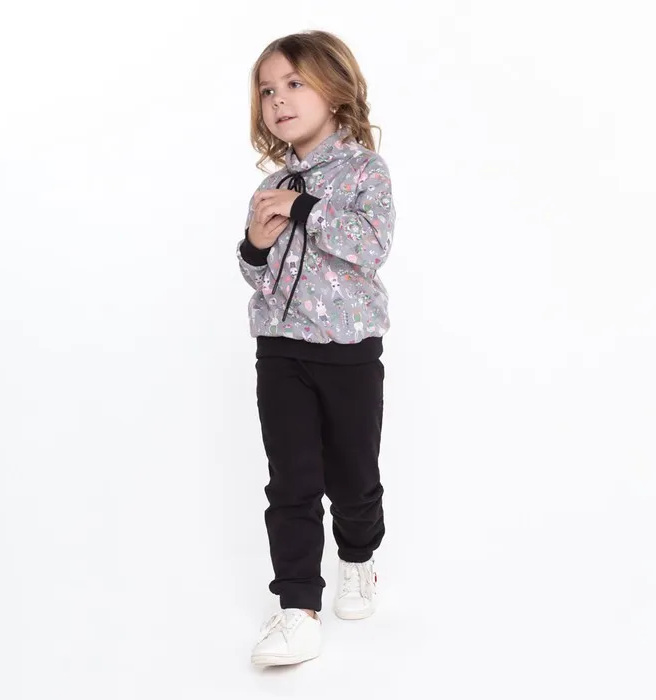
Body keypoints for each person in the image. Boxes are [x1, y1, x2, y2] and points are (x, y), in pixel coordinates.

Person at [236, 30, 396, 668]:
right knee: (292, 482)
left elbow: (370, 245)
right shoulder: (274, 182)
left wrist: (304, 207)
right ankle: (297, 607)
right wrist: (254, 242)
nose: (278, 99)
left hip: (348, 352)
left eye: (294, 84)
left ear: (334, 90)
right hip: (280, 350)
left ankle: (358, 558)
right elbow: (258, 273)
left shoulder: (364, 171)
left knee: (353, 480)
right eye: (267, 90)